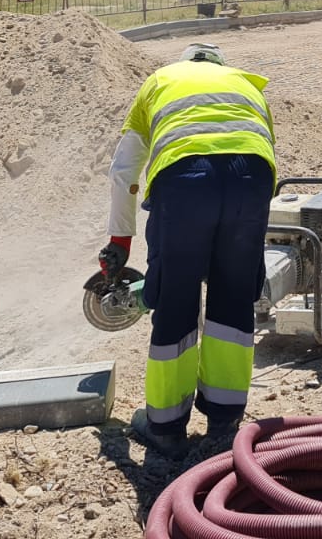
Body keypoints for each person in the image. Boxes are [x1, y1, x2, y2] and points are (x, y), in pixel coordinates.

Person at [99, 41, 276, 456]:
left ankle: (165, 427)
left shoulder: (159, 81)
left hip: (184, 182)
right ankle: (224, 420)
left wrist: (120, 242)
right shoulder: (247, 86)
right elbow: (264, 150)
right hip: (251, 180)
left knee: (176, 297)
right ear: (219, 65)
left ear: (185, 64)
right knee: (234, 295)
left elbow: (124, 169)